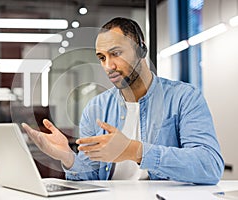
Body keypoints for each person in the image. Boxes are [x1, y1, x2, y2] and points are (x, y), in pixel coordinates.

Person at [22, 17, 224, 184]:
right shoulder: (96, 109)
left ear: (141, 50)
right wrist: (67, 156)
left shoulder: (184, 98)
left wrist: (135, 151)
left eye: (115, 54)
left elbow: (210, 166)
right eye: (102, 58)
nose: (108, 66)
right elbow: (90, 176)